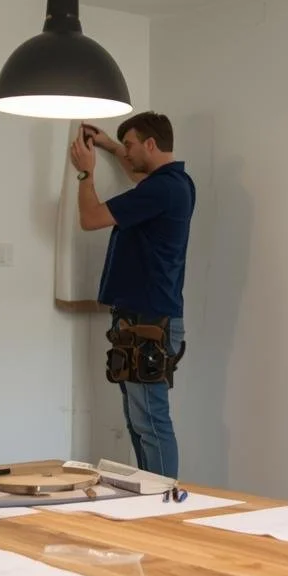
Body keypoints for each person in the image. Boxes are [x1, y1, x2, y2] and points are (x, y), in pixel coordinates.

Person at [70, 112, 196, 478]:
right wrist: (111, 145)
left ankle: (162, 499)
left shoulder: (162, 189)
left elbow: (91, 218)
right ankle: (149, 493)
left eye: (130, 145)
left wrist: (86, 172)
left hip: (148, 321)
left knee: (151, 421)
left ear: (150, 144)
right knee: (140, 420)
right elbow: (139, 176)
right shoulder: (174, 183)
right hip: (143, 319)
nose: (125, 152)